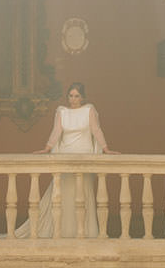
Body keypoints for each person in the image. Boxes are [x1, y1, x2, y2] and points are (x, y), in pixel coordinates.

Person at [15, 82, 118, 238]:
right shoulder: (61, 112)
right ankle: (64, 232)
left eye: (77, 96)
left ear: (82, 97)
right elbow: (57, 131)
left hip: (85, 157)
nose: (73, 99)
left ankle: (86, 233)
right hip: (66, 156)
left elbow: (96, 130)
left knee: (83, 194)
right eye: (70, 95)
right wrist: (47, 148)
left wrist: (106, 149)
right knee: (64, 196)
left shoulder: (89, 110)